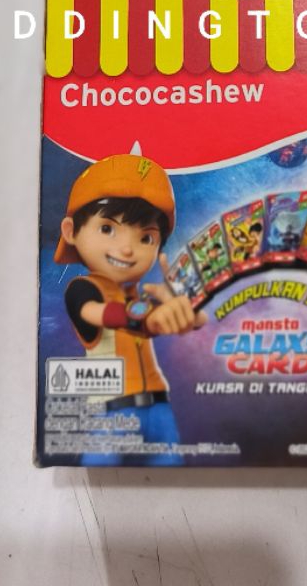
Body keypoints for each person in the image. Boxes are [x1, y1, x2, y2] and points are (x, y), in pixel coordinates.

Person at [54, 153, 206, 464]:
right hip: (112, 411)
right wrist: (147, 316)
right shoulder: (83, 289)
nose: (126, 249)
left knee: (172, 470)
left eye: (146, 237)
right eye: (107, 229)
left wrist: (183, 312)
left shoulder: (137, 296)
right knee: (99, 470)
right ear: (71, 231)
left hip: (158, 407)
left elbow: (174, 320)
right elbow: (98, 314)